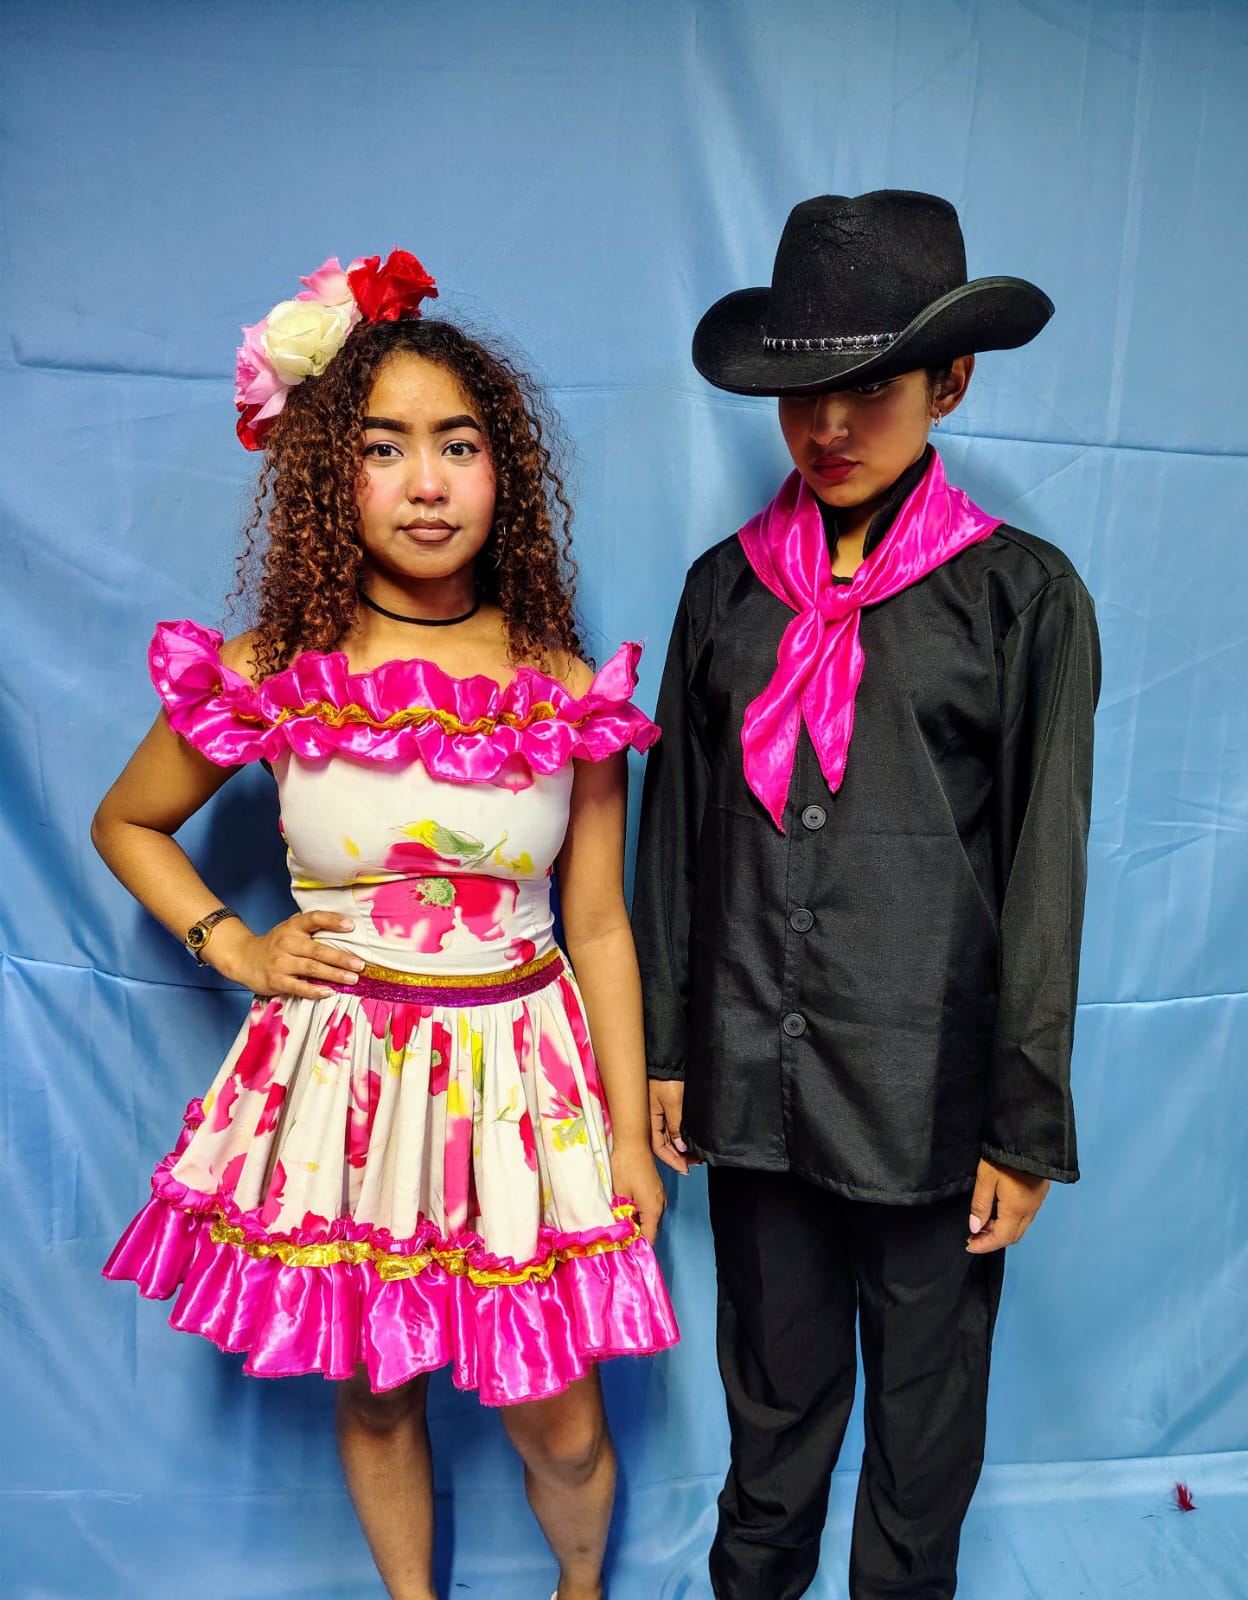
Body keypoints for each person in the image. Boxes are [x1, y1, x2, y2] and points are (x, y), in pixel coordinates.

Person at [95, 249, 677, 1600]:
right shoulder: (276, 674)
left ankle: (581, 1590)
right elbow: (127, 823)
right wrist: (234, 945)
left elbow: (598, 925)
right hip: (345, 1086)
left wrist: (622, 1134)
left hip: (524, 1087)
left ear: (501, 473)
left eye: (458, 446)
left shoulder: (563, 689)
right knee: (375, 1392)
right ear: (330, 473)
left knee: (561, 1419)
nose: (427, 483)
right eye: (385, 447)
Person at [633, 191, 1100, 1600]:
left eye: (873, 388)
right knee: (770, 1417)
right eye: (803, 394)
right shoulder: (724, 595)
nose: (830, 427)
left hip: (931, 1103)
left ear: (949, 383)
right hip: (754, 1087)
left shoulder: (1020, 599)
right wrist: (666, 1045)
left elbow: (1045, 869)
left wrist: (1022, 1122)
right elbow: (673, 837)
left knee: (922, 1434)